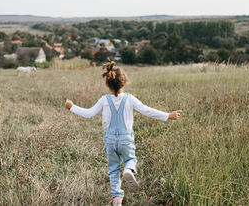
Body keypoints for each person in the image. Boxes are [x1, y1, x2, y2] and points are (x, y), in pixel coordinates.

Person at [65, 61, 181, 206]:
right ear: (124, 83)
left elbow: (88, 113)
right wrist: (167, 115)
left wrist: (72, 107)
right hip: (126, 140)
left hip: (110, 141)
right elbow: (146, 110)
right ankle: (128, 169)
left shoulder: (104, 100)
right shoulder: (130, 99)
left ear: (107, 84)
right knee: (130, 159)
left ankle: (117, 199)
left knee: (113, 169)